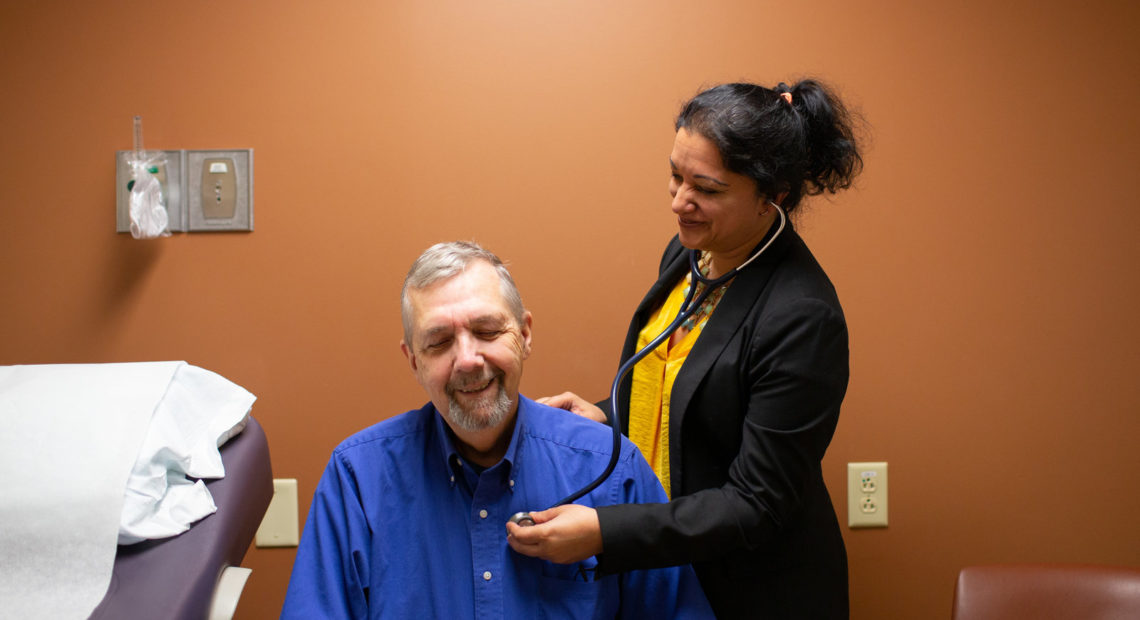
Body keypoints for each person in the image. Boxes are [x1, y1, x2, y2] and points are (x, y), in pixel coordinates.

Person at [506, 80, 864, 618]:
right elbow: (687, 390)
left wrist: (605, 532)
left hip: (750, 593)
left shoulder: (802, 316)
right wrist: (608, 416)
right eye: (675, 175)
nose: (679, 202)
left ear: (774, 197)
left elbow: (755, 504)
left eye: (708, 188)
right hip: (670, 575)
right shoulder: (690, 251)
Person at [281, 241, 712, 619]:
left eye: (487, 331)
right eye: (439, 342)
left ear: (524, 334)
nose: (468, 360)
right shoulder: (358, 478)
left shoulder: (612, 469)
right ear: (413, 360)